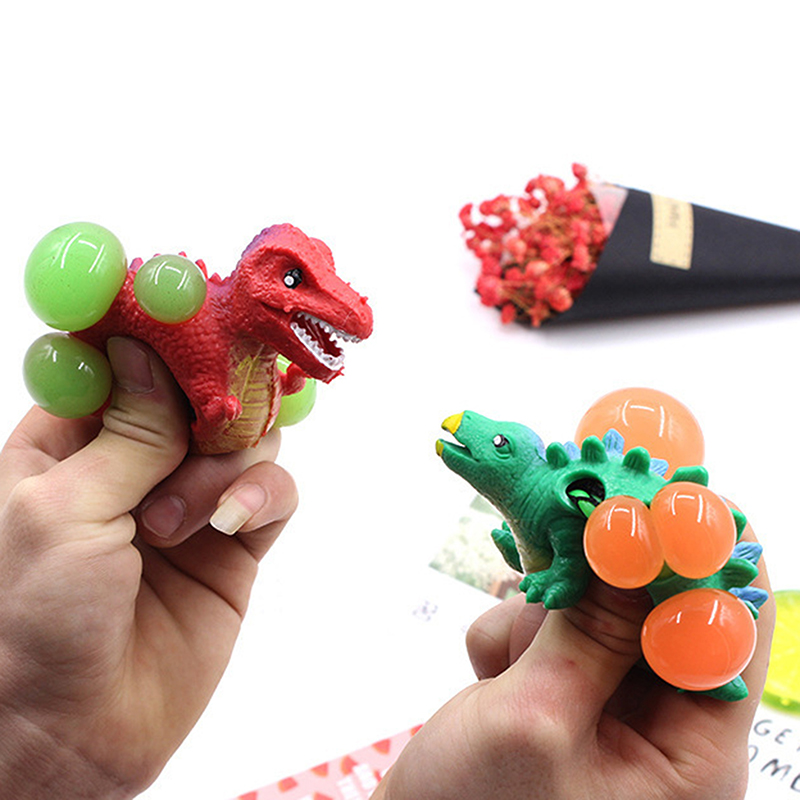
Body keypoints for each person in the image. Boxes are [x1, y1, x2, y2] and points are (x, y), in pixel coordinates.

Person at [0, 338, 775, 799]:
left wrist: (42, 751)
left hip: (684, 590)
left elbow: (576, 555)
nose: (470, 439)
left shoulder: (565, 500)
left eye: (496, 447)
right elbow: (551, 555)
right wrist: (41, 745)